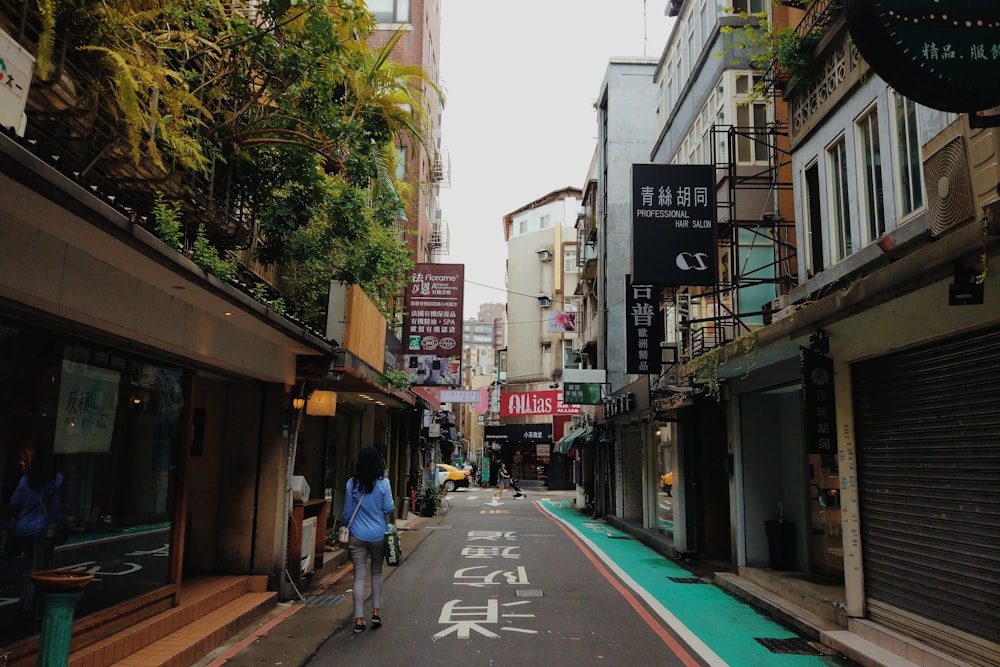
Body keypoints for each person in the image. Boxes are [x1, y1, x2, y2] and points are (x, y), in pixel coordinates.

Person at [341, 447, 394, 634]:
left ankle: (358, 619)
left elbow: (347, 512)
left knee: (359, 577)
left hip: (356, 535)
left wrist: (344, 525)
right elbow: (388, 507)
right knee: (377, 572)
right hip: (378, 535)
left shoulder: (352, 483)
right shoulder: (384, 483)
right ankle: (376, 611)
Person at [9, 445, 64, 621]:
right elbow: (56, 507)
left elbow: (14, 503)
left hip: (22, 530)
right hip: (41, 531)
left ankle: (27, 603)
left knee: (32, 566)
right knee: (38, 569)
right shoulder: (55, 480)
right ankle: (28, 606)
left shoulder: (26, 480)